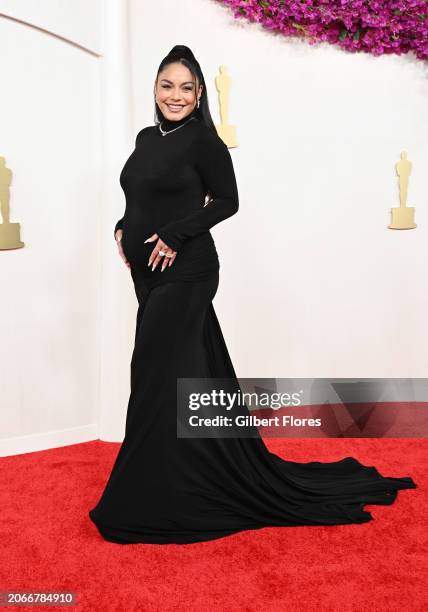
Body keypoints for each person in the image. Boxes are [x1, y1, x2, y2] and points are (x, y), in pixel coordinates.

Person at [88, 45, 417, 545]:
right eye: (166, 86)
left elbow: (227, 201)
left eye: (186, 88)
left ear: (199, 96)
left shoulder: (203, 141)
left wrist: (175, 235)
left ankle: (144, 497)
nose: (175, 96)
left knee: (152, 377)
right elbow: (142, 196)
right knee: (178, 377)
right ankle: (186, 479)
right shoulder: (145, 138)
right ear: (154, 89)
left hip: (189, 272)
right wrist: (122, 227)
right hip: (148, 274)